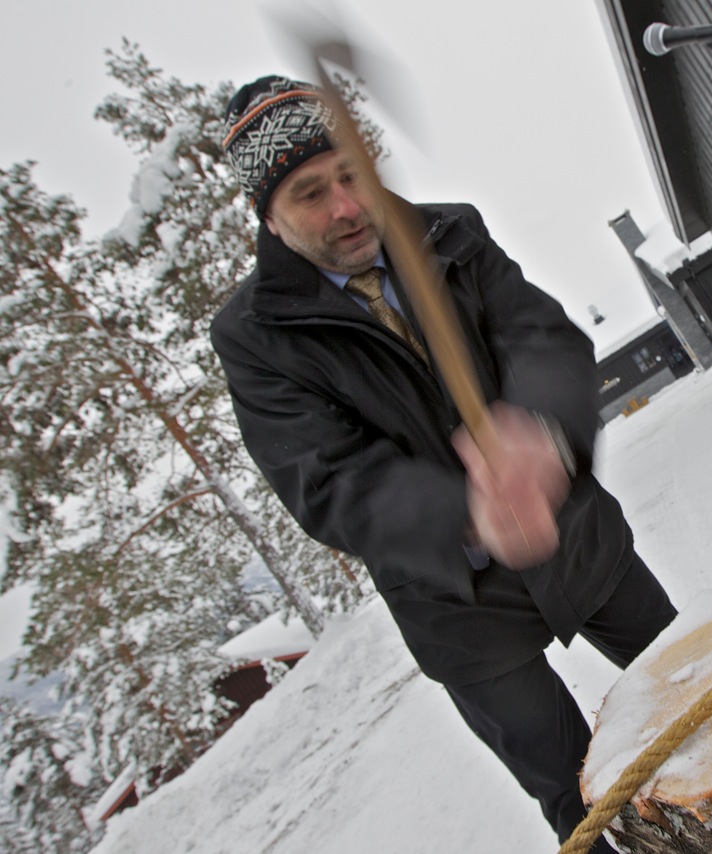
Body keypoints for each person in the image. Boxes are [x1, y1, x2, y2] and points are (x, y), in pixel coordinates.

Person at [211, 76, 676, 851]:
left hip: (576, 537)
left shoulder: (450, 234)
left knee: (709, 687)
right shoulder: (255, 335)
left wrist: (541, 440)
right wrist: (466, 510)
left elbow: (542, 340)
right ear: (268, 216)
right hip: (458, 607)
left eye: (352, 175)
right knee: (581, 799)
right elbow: (326, 481)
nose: (348, 209)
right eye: (310, 194)